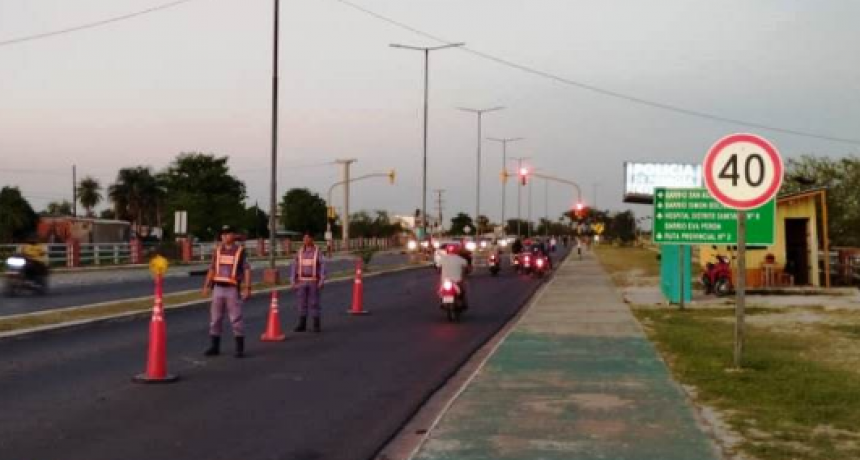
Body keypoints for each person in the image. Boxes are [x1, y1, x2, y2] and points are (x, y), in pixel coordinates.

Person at [202, 225, 251, 358]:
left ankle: (239, 348)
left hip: (232, 289)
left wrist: (247, 288)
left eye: (227, 233)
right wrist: (206, 285)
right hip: (218, 288)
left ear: (233, 235)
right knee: (215, 319)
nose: (224, 236)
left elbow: (246, 269)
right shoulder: (217, 251)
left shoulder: (240, 251)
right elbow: (212, 268)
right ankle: (215, 346)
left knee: (236, 318)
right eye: (222, 234)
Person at [291, 233, 326, 333]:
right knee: (302, 303)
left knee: (314, 303)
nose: (305, 240)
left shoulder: (317, 252)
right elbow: (294, 266)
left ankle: (316, 325)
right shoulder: (300, 252)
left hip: (313, 281)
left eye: (307, 238)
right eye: (304, 238)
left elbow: (323, 266)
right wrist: (293, 281)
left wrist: (322, 280)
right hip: (301, 281)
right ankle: (302, 324)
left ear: (312, 239)